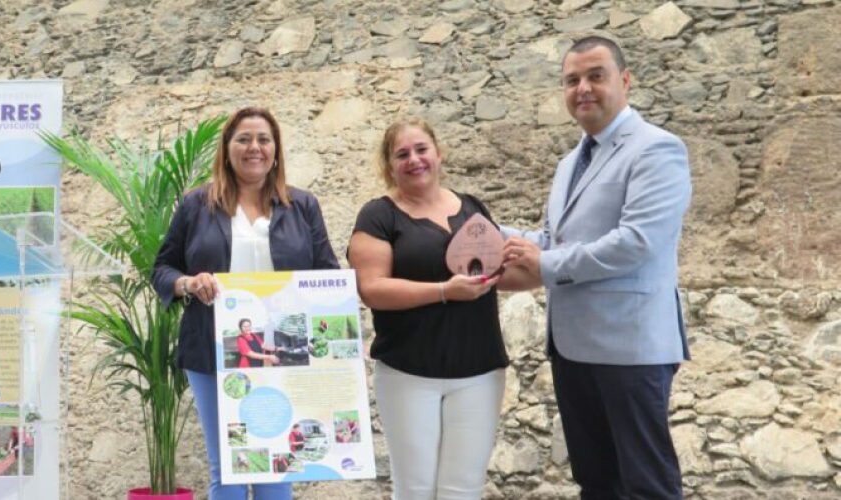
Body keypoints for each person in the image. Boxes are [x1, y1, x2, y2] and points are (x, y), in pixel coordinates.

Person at [501, 36, 692, 499]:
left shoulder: (657, 149)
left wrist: (544, 263)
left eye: (595, 76)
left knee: (646, 485)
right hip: (573, 348)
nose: (582, 88)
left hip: (630, 347)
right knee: (596, 482)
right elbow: (555, 240)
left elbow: (636, 243)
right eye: (571, 80)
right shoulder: (571, 162)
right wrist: (487, 233)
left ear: (624, 81)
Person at [154, 107, 339, 499]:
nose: (254, 147)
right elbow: (163, 269)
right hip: (212, 350)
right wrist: (187, 282)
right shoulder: (196, 205)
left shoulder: (303, 207)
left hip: (283, 353)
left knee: (278, 465)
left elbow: (327, 272)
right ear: (227, 148)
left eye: (263, 139)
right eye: (243, 139)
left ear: (275, 150)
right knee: (229, 470)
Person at [347, 118, 532, 500]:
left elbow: (497, 276)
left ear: (438, 153)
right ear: (389, 165)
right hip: (408, 373)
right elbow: (373, 288)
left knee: (462, 490)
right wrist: (444, 292)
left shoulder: (472, 210)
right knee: (415, 491)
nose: (414, 160)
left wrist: (543, 267)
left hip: (479, 370)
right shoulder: (378, 216)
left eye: (421, 150)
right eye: (402, 154)